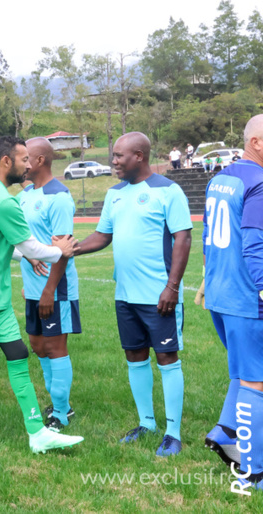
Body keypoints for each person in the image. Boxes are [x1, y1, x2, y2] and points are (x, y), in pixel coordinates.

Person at [0, 135, 84, 454]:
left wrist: (29, 256)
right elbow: (29, 244)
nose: (27, 164)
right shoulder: (2, 200)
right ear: (6, 161)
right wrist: (56, 250)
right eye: (23, 159)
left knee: (18, 353)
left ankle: (38, 433)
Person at [75, 132, 192, 456]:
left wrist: (171, 287)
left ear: (139, 156)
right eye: (113, 156)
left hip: (160, 296)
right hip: (125, 295)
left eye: (119, 156)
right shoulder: (115, 194)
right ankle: (147, 423)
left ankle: (173, 433)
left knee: (167, 358)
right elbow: (102, 236)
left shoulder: (168, 191)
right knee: (135, 356)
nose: (113, 161)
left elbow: (182, 239)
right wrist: (68, 249)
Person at [201, 115, 263, 490]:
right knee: (256, 381)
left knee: (244, 370)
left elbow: (210, 233)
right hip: (246, 299)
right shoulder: (260, 181)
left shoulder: (221, 177)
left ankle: (225, 432)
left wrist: (208, 280)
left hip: (221, 293)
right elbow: (255, 244)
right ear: (257, 142)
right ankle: (253, 472)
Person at [18, 138, 82, 430]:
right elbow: (28, 242)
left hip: (55, 289)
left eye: (25, 157)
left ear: (40, 160)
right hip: (33, 288)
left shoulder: (59, 198)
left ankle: (61, 411)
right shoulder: (27, 194)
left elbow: (63, 251)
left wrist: (48, 290)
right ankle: (59, 404)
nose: (21, 162)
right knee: (38, 346)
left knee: (55, 347)